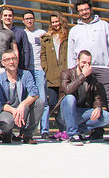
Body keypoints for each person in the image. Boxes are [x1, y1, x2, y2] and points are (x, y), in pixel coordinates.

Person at [67, 0, 109, 144]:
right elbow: (71, 52)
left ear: (91, 9)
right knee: (89, 100)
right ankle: (97, 132)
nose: (84, 12)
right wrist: (73, 71)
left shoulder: (104, 25)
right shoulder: (75, 30)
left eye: (86, 9)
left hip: (102, 67)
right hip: (83, 69)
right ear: (78, 13)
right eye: (81, 10)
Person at [54, 50, 109, 146]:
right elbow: (67, 90)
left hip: (81, 113)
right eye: (83, 62)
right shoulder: (67, 73)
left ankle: (78, 131)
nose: (86, 66)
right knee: (70, 98)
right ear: (77, 61)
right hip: (65, 113)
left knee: (106, 116)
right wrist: (83, 76)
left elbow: (97, 96)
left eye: (89, 63)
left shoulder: (92, 79)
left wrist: (98, 107)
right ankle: (73, 134)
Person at [0, 49, 44, 144]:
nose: (11, 62)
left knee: (39, 102)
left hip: (23, 111)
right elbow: (0, 103)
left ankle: (27, 134)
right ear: (3, 63)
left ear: (17, 60)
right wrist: (13, 110)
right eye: (8, 59)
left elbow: (34, 93)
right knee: (6, 123)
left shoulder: (26, 75)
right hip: (8, 111)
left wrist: (23, 104)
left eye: (13, 59)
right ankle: (7, 133)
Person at [40, 11, 69, 140]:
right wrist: (45, 68)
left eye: (57, 21)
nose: (55, 24)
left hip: (65, 76)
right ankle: (63, 128)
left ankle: (66, 130)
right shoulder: (47, 38)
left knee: (65, 103)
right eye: (52, 22)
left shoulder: (68, 36)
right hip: (51, 75)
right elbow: (43, 55)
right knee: (53, 104)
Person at [22, 10, 48, 137]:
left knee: (42, 100)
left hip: (39, 70)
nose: (29, 20)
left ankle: (45, 130)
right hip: (26, 71)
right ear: (23, 21)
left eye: (31, 18)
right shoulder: (22, 34)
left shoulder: (42, 34)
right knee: (27, 100)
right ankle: (28, 128)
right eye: (26, 19)